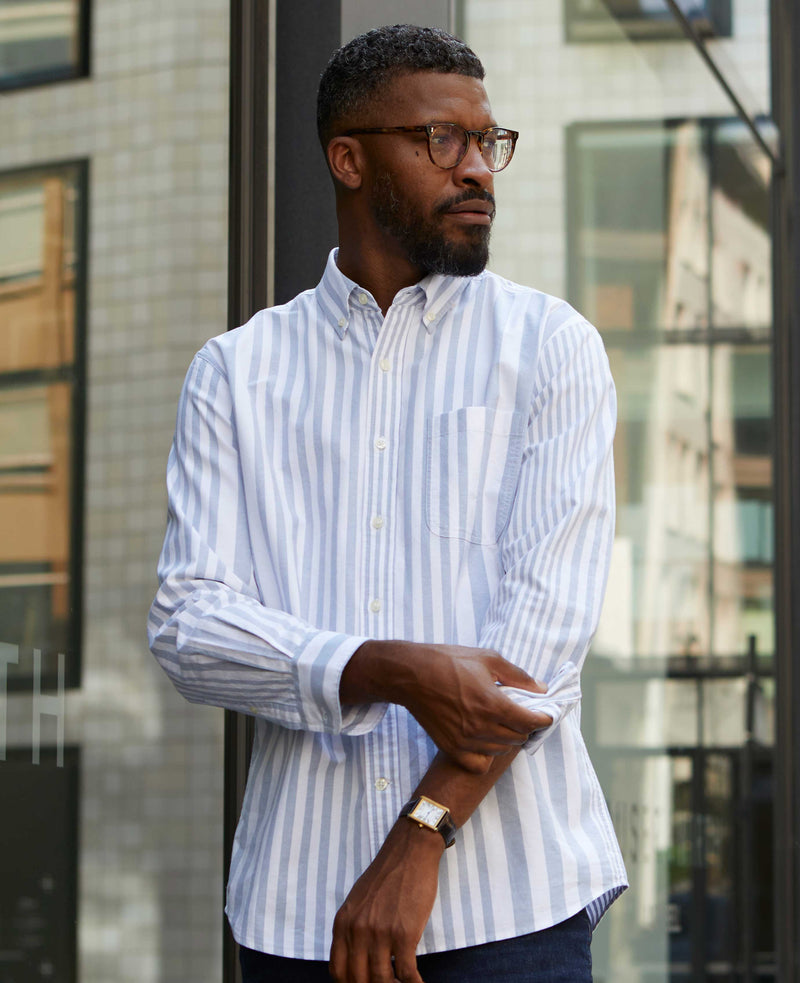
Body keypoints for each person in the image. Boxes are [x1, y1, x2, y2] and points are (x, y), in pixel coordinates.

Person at [148, 23, 627, 983]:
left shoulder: (550, 346)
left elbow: (537, 651)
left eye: (490, 143)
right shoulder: (237, 372)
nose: (480, 169)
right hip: (295, 911)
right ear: (349, 158)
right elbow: (189, 623)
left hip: (510, 911)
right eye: (442, 140)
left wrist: (422, 835)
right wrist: (383, 666)